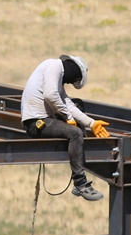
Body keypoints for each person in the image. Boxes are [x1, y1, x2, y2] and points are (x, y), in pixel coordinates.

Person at [21, 54, 110, 201]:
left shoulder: (55, 75)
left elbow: (67, 104)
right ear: (74, 70)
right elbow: (50, 95)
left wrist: (91, 123)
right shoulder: (54, 66)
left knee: (78, 105)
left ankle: (79, 158)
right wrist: (68, 117)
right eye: (74, 79)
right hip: (36, 122)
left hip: (44, 118)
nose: (70, 82)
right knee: (75, 134)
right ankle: (80, 183)